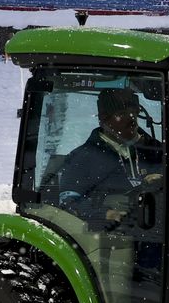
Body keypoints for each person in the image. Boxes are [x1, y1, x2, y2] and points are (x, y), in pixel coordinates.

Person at [59, 88, 162, 227]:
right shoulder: (82, 158)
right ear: (104, 119)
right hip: (113, 236)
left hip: (159, 227)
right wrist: (104, 214)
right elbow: (69, 202)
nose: (131, 118)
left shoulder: (155, 150)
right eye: (121, 114)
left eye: (134, 113)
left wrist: (165, 180)